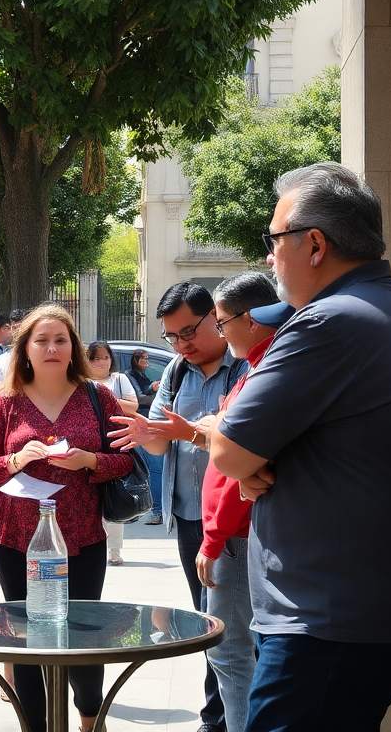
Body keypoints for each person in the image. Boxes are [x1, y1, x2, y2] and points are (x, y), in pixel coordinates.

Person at [207, 163, 391, 732]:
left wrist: (244, 449)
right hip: (354, 612)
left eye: (274, 240)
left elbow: (230, 449)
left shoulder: (329, 322)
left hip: (325, 620)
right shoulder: (390, 309)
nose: (268, 257)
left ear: (315, 244)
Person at [0, 304, 133, 732]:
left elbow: (124, 461)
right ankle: (35, 725)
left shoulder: (97, 395)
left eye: (60, 339)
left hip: (80, 535)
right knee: (25, 639)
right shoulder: (7, 401)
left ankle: (88, 718)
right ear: (24, 349)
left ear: (73, 347)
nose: (51, 348)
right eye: (41, 340)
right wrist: (14, 460)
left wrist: (89, 460)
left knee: (83, 634)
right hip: (16, 537)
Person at [110, 282, 246, 732]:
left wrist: (190, 432)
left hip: (238, 522)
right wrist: (152, 434)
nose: (182, 344)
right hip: (189, 518)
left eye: (189, 330)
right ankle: (217, 716)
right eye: (172, 337)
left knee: (237, 632)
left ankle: (227, 719)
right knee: (208, 622)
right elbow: (162, 434)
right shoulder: (178, 372)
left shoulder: (246, 365)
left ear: (218, 318)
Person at [195, 272, 291, 732]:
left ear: (250, 321)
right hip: (233, 534)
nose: (218, 330)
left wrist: (212, 540)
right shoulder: (258, 366)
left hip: (234, 536)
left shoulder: (266, 369)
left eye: (221, 321)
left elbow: (240, 467)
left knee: (229, 655)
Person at [85, 340, 137, 565]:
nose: (101, 362)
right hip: (88, 448)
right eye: (96, 358)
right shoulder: (83, 383)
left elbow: (133, 407)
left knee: (113, 498)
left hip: (114, 445)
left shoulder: (119, 379)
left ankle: (114, 551)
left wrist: (105, 397)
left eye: (105, 357)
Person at [124, 349, 164, 524]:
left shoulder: (141, 375)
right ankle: (154, 510)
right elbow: (139, 400)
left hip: (150, 424)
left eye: (148, 359)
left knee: (153, 470)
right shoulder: (129, 376)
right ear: (135, 360)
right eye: (144, 359)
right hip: (139, 425)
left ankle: (157, 510)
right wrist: (153, 389)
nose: (147, 362)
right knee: (148, 470)